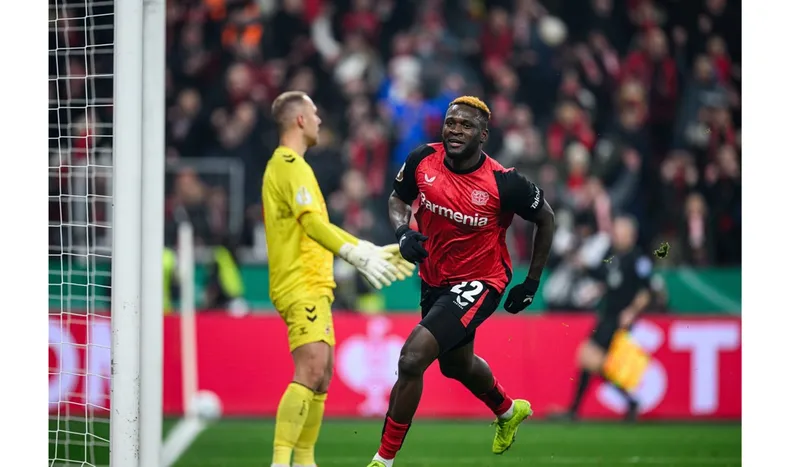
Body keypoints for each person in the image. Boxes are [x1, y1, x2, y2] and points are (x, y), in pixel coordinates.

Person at [367, 96, 556, 467]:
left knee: (411, 359)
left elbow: (546, 219)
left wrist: (531, 282)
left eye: (466, 125)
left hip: (482, 279)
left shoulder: (506, 183)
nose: (455, 130)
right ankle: (507, 410)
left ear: (483, 135)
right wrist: (403, 231)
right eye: (451, 122)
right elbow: (396, 198)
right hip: (435, 277)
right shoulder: (423, 158)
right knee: (455, 365)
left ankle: (382, 461)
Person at [263, 91, 415, 467]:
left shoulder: (296, 166)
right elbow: (311, 224)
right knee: (311, 368)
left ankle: (305, 460)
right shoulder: (287, 164)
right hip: (299, 281)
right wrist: (355, 255)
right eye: (314, 113)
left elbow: (323, 226)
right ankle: (281, 462)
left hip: (316, 283)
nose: (319, 120)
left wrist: (369, 250)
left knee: (324, 374)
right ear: (299, 120)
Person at [552, 215, 653, 422]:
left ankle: (573, 411)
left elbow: (646, 292)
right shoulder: (613, 255)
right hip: (607, 314)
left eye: (620, 232)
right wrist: (584, 268)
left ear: (631, 235)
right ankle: (629, 402)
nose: (616, 236)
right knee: (593, 362)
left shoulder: (637, 259)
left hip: (618, 318)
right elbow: (604, 277)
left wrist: (631, 312)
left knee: (588, 358)